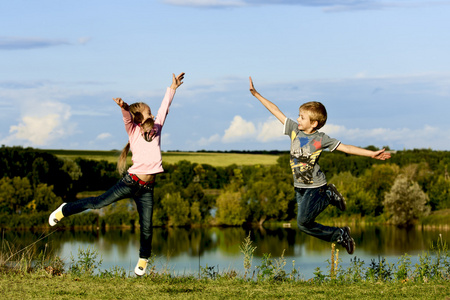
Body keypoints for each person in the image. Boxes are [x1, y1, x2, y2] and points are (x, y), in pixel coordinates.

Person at [49, 72, 185, 275]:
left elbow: (165, 107)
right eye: (149, 113)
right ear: (139, 118)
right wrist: (124, 107)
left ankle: (143, 259)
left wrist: (172, 88)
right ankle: (65, 210)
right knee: (98, 203)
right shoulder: (133, 130)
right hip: (130, 182)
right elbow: (127, 117)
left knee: (147, 226)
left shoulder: (157, 128)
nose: (153, 115)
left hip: (147, 188)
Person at [248, 77, 391, 254]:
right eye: (299, 116)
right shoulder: (294, 130)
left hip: (315, 186)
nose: (298, 119)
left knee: (301, 222)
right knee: (305, 225)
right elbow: (275, 110)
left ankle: (336, 220)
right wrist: (256, 95)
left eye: (302, 117)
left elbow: (346, 148)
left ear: (314, 123)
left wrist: (372, 154)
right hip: (299, 187)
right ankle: (336, 219)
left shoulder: (321, 139)